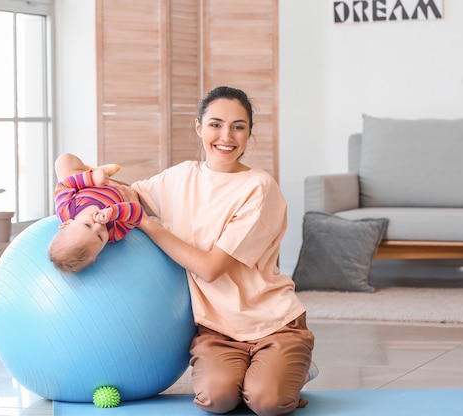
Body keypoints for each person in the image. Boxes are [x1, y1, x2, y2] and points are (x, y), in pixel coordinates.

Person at [120, 86, 316, 416]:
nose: (226, 135)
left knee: (266, 402)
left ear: (249, 133)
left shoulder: (259, 187)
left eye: (239, 126)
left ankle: (293, 369)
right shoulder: (178, 178)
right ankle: (257, 377)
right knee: (218, 399)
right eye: (215, 124)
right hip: (217, 330)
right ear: (198, 127)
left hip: (274, 324)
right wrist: (75, 173)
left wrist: (149, 225)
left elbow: (211, 268)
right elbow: (126, 195)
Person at [48, 153, 143, 273]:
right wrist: (113, 212)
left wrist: (92, 179)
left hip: (91, 182)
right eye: (100, 237)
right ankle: (103, 173)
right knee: (136, 196)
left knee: (64, 161)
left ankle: (95, 172)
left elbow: (64, 185)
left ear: (66, 223)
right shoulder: (113, 233)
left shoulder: (65, 210)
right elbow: (137, 213)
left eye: (87, 225)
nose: (99, 225)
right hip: (121, 190)